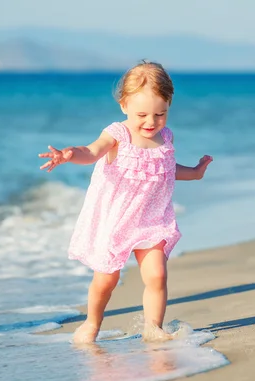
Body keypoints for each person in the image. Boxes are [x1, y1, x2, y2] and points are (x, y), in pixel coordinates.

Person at [38, 61, 213, 343]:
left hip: (152, 219)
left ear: (169, 105)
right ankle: (92, 323)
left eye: (160, 113)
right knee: (106, 281)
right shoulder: (118, 134)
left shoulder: (165, 137)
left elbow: (164, 169)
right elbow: (92, 151)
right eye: (142, 114)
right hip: (116, 220)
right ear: (124, 105)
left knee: (157, 276)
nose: (151, 122)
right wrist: (70, 154)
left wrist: (193, 173)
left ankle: (153, 328)